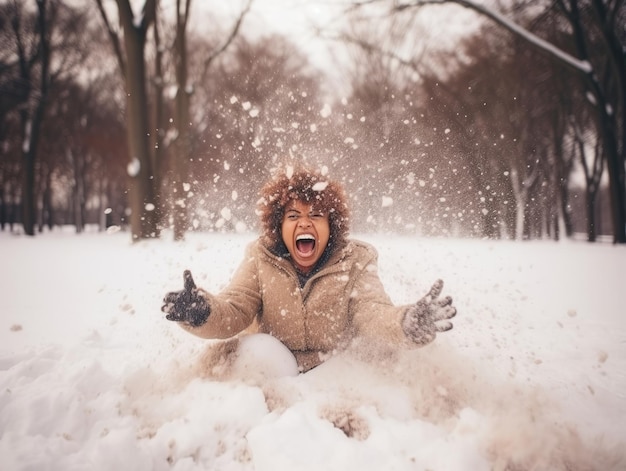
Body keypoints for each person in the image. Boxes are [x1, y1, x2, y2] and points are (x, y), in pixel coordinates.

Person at [161, 166, 457, 373]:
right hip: (272, 371)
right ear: (279, 226)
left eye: (316, 215)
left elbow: (373, 313)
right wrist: (201, 312)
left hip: (333, 371)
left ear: (331, 226)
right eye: (293, 216)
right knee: (258, 351)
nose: (305, 223)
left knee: (377, 360)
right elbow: (235, 309)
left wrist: (407, 323)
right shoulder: (260, 258)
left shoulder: (356, 260)